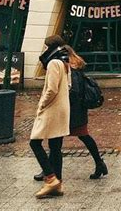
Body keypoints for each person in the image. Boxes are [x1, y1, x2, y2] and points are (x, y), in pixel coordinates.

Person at [34, 43, 107, 181]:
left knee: (57, 141)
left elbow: (71, 91)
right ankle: (99, 163)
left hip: (72, 112)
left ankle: (49, 171)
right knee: (78, 137)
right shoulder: (75, 66)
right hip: (77, 111)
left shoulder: (70, 69)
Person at [29, 35, 71, 199]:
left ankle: (50, 178)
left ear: (51, 47)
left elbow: (52, 89)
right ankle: (57, 184)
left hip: (52, 109)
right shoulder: (64, 62)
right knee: (55, 146)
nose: (44, 50)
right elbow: (67, 85)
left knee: (35, 142)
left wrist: (41, 104)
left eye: (46, 47)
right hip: (62, 109)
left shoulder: (54, 63)